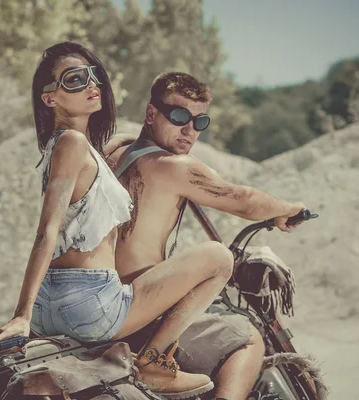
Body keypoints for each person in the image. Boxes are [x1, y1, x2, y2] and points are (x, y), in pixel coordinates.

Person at [0, 43, 234, 400]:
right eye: (74, 79)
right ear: (50, 99)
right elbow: (47, 231)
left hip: (53, 304)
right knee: (218, 259)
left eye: (95, 76)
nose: (92, 85)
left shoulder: (77, 148)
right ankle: (153, 363)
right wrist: (21, 315)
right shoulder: (72, 143)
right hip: (90, 305)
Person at [107, 72, 307, 400]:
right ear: (151, 113)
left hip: (102, 297)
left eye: (200, 122)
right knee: (247, 338)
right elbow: (244, 201)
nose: (189, 130)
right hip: (137, 310)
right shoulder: (173, 165)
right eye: (180, 116)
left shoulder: (116, 151)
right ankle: (154, 362)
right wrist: (286, 208)